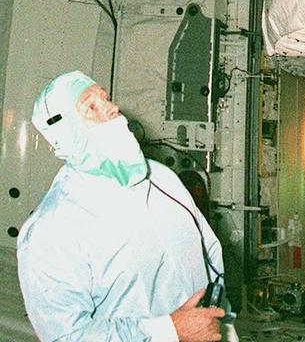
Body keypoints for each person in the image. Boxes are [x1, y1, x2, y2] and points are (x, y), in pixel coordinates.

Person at [17, 71, 235, 342]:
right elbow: (67, 336)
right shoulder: (51, 229)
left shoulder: (162, 178)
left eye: (105, 98)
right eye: (91, 106)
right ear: (65, 129)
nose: (112, 107)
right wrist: (169, 331)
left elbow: (209, 255)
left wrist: (219, 319)